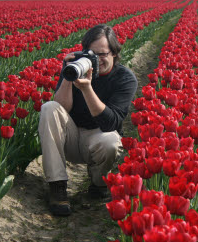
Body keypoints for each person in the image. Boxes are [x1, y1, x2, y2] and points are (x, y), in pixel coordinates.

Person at [38, 24, 138, 216]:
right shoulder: (76, 68)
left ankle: (98, 183)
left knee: (110, 141)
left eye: (102, 54)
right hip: (72, 136)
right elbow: (61, 108)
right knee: (49, 107)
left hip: (99, 138)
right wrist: (68, 76)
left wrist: (87, 88)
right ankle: (57, 186)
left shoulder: (125, 79)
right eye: (91, 54)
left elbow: (110, 123)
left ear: (115, 53)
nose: (97, 60)